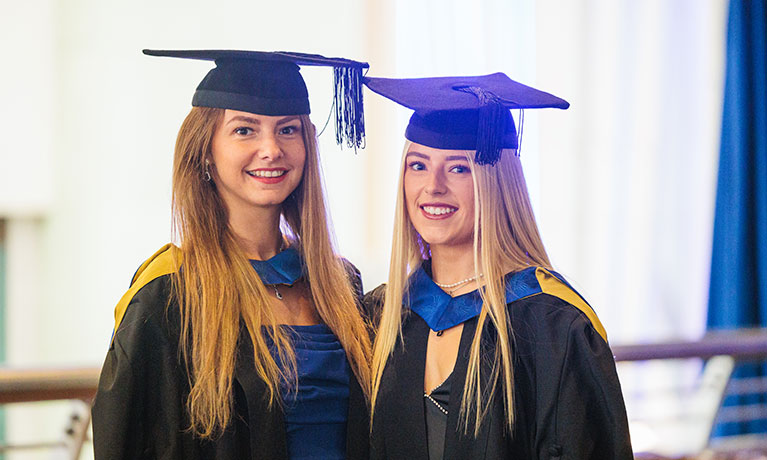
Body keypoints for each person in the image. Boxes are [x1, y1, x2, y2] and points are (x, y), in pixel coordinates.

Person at [92, 49, 372, 460]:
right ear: (206, 150)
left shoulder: (339, 285)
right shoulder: (169, 297)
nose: (271, 149)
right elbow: (125, 443)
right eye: (245, 130)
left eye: (288, 130)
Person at [363, 73, 633, 459]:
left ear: (497, 181)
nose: (433, 185)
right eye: (417, 165)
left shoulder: (552, 326)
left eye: (459, 168)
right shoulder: (382, 317)